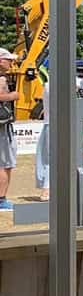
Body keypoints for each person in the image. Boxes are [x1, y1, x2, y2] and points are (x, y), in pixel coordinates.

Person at [0, 48, 17, 210]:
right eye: (9, 59)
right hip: (2, 126)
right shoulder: (1, 79)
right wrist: (12, 96)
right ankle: (1, 200)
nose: (12, 62)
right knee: (5, 163)